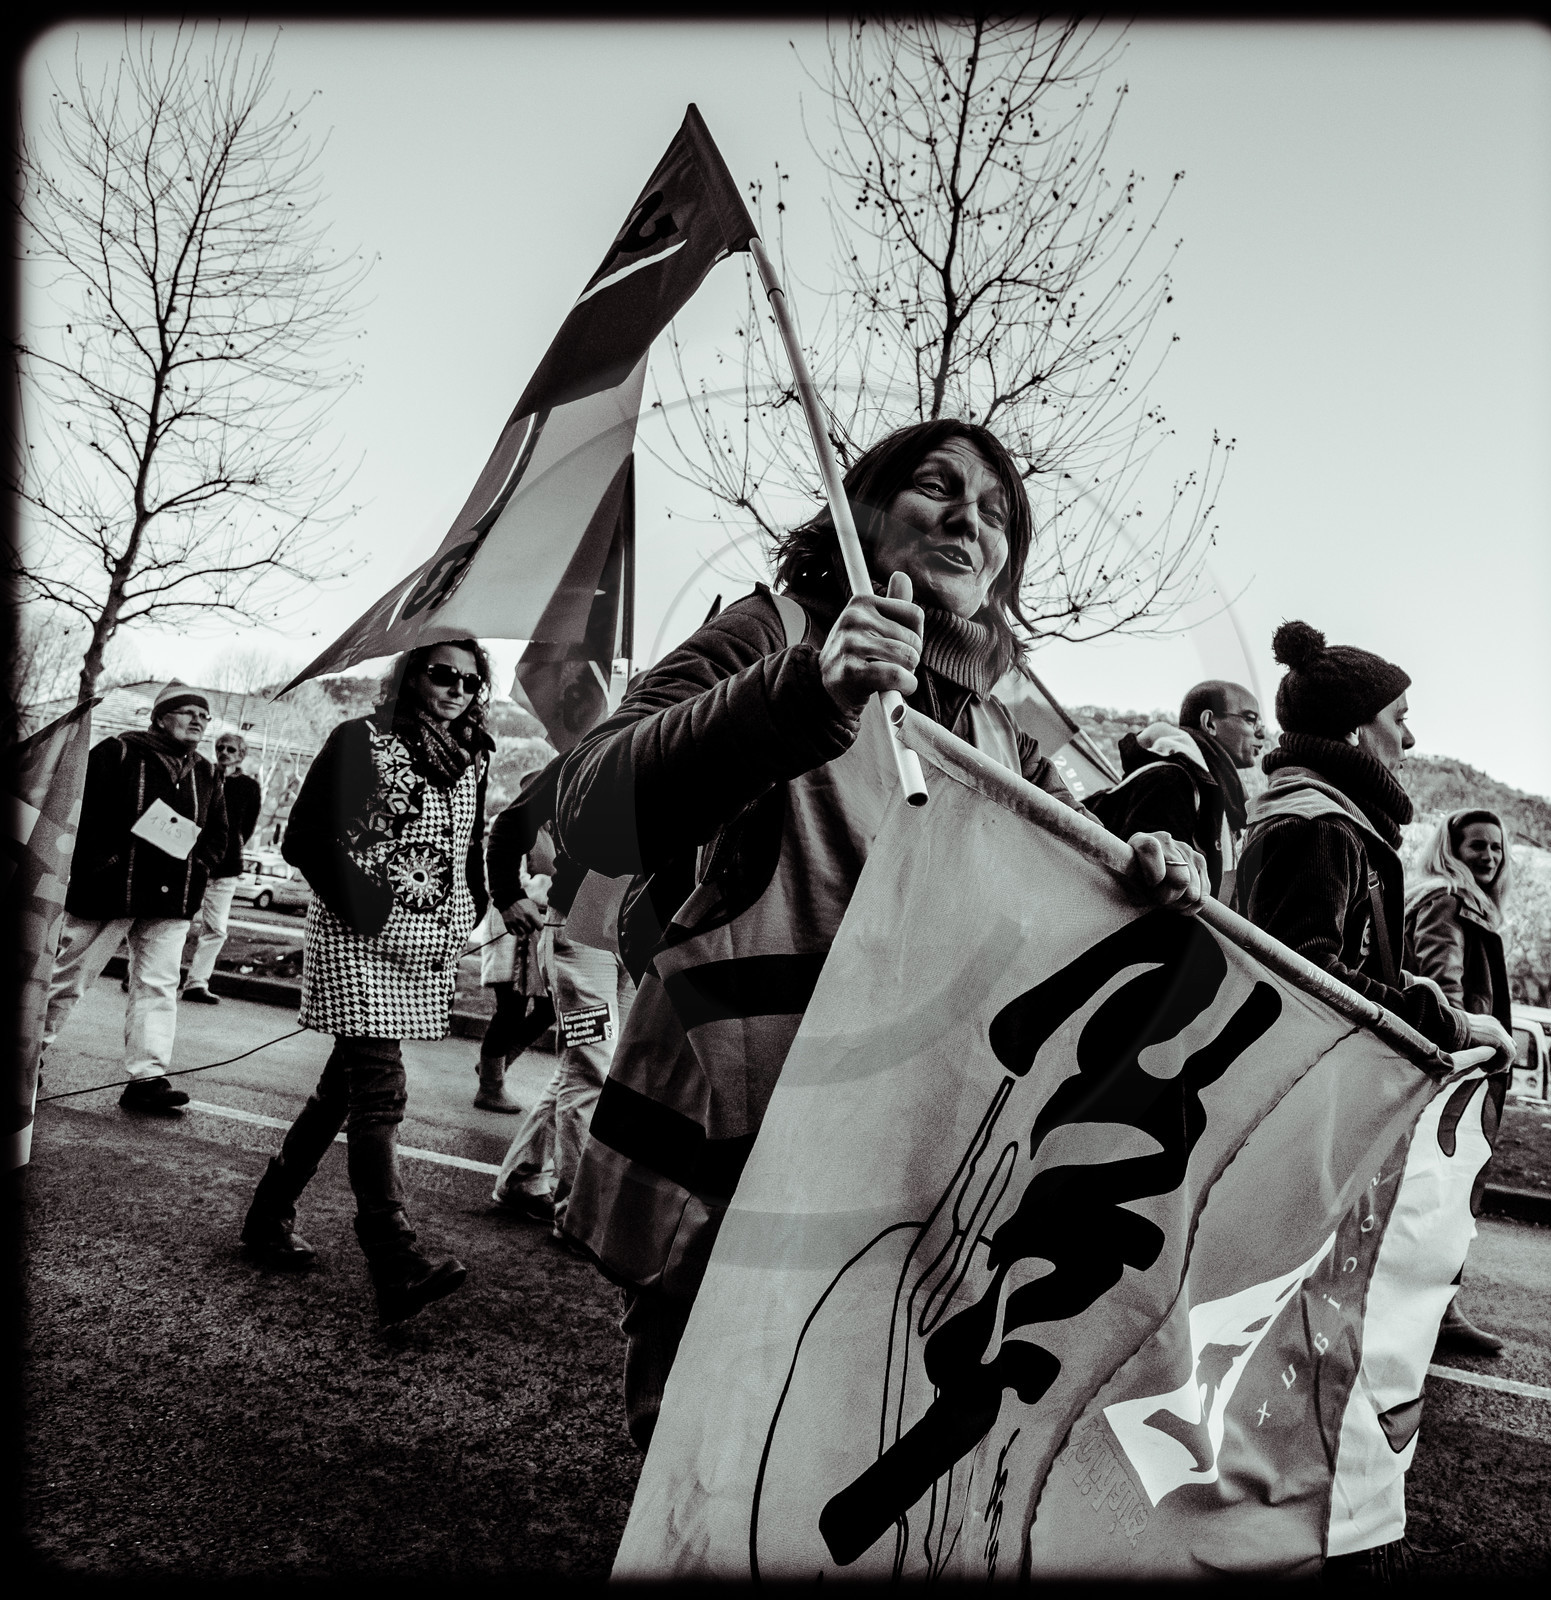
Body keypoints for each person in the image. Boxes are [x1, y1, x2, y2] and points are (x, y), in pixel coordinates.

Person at [553, 418, 1210, 1450]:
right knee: (706, 1472)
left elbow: (1067, 903)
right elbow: (590, 805)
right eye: (936, 490)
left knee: (831, 1468)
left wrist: (1152, 870)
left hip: (906, 1167)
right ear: (864, 512)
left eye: (996, 515)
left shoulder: (999, 727)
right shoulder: (770, 631)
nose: (967, 520)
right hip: (741, 1152)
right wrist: (804, 690)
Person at [1237, 621, 1513, 1580]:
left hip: (1323, 1122)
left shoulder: (1331, 822)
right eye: (1400, 718)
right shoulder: (1315, 827)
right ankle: (1279, 1525)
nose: (1412, 736)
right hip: (1310, 1129)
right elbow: (1308, 981)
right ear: (1358, 733)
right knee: (1301, 1351)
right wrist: (1446, 1020)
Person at [237, 639, 494, 1329]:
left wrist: (473, 904)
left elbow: (470, 847)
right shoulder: (361, 737)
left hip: (421, 941)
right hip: (356, 937)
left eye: (472, 680)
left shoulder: (472, 756)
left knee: (338, 1095)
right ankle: (394, 1259)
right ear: (411, 676)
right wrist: (372, 909)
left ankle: (267, 1217)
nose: (458, 689)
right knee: (380, 1092)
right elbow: (305, 840)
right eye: (444, 674)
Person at [42, 679, 230, 1112]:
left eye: (204, 716)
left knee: (159, 986)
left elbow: (218, 834)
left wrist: (199, 866)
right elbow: (79, 809)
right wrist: (103, 862)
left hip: (171, 899)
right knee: (70, 978)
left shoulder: (207, 772)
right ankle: (25, 1058)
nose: (198, 721)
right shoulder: (119, 751)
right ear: (161, 717)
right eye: (188, 712)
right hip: (111, 890)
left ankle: (147, 1079)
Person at [484, 753, 636, 1238]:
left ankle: (523, 1179)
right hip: (583, 920)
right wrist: (507, 893)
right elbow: (512, 821)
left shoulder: (705, 740)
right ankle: (577, 1214)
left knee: (591, 1065)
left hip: (639, 927)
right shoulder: (603, 745)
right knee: (594, 1066)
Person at [1404, 808, 1515, 1357]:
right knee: (1446, 1194)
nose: (1489, 857)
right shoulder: (1447, 899)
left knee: (1445, 1193)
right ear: (1452, 849)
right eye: (1478, 847)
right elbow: (1440, 986)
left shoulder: (1471, 903)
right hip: (1461, 1071)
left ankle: (1434, 1306)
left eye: (1496, 847)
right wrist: (1467, 1054)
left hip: (1470, 1071)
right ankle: (1438, 1312)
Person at [1087, 679, 1267, 907]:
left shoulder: (1213, 791)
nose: (1262, 733)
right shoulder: (1170, 781)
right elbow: (1154, 897)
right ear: (1209, 722)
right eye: (1251, 720)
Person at [471, 766, 557, 1114]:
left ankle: (496, 1063)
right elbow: (515, 877)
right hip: (512, 927)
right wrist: (552, 889)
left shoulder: (553, 832)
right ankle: (490, 1085)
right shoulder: (520, 826)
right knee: (510, 1008)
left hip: (536, 929)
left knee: (548, 1008)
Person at [182, 727, 262, 1004]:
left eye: (231, 749)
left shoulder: (249, 787)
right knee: (172, 920)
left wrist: (227, 848)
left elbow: (247, 827)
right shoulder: (200, 774)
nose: (224, 753)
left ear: (241, 755)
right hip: (192, 861)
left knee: (216, 929)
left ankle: (197, 982)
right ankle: (144, 974)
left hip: (226, 868)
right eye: (221, 747)